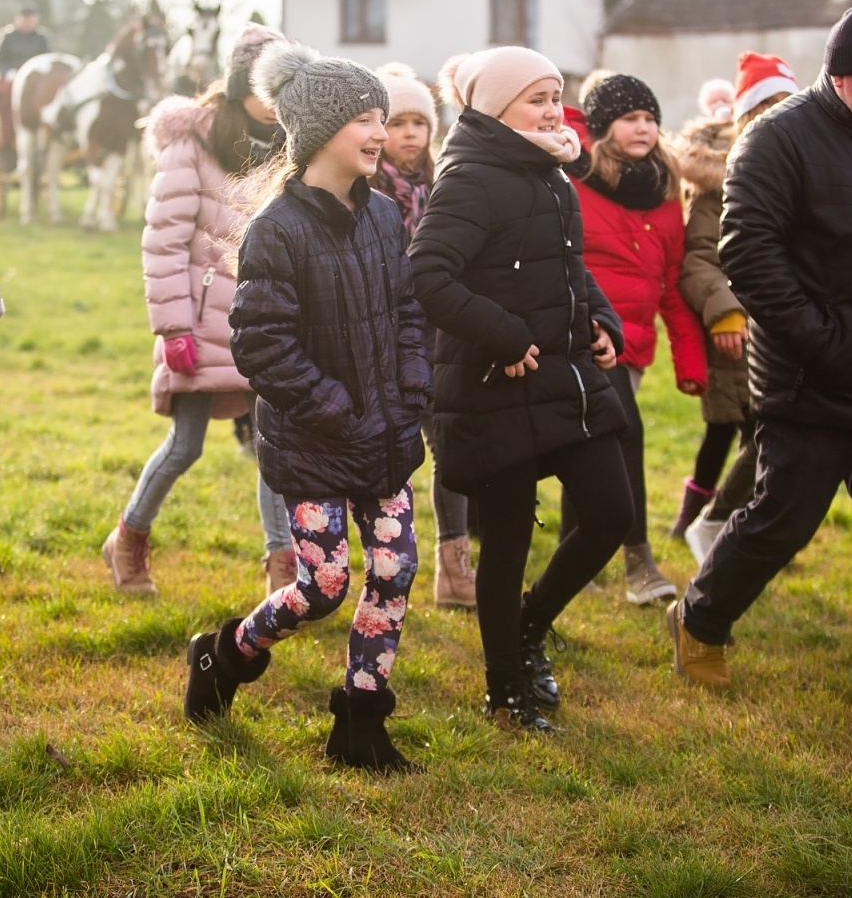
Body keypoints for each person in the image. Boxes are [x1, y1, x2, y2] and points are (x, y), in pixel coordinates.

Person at [667, 0, 852, 734]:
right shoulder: (778, 141)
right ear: (840, 77)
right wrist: (823, 342)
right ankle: (699, 621)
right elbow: (747, 254)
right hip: (814, 384)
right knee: (779, 522)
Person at [183, 41, 429, 773]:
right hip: (318, 441)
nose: (381, 133)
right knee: (322, 585)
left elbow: (409, 311)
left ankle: (360, 722)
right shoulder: (276, 230)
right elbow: (261, 346)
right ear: (320, 131)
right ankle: (227, 653)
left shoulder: (386, 216)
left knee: (393, 571)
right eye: (365, 119)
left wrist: (413, 389)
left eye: (382, 118)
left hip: (386, 435)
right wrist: (337, 409)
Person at [410, 46, 633, 733]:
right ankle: (505, 690)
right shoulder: (470, 179)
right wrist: (502, 336)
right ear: (493, 107)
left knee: (610, 513)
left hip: (565, 375)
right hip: (492, 384)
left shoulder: (552, 174)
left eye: (555, 94)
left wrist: (601, 319)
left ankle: (530, 625)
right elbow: (427, 274)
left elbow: (567, 268)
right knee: (504, 541)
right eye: (535, 97)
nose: (551, 109)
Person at [102, 24, 296, 596]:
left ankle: (283, 566)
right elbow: (163, 241)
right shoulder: (196, 142)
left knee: (275, 447)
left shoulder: (294, 146)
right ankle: (128, 539)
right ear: (241, 84)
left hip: (271, 323)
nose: (275, 96)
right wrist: (173, 328)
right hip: (200, 321)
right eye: (266, 82)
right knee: (185, 446)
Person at [562, 73, 707, 605]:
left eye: (650, 118)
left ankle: (574, 555)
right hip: (585, 337)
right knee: (626, 434)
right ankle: (638, 561)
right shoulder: (574, 180)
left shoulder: (668, 192)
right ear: (602, 128)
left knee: (590, 447)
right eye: (630, 118)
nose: (643, 127)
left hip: (635, 348)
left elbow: (671, 284)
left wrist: (690, 361)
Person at [675, 54, 800, 564]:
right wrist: (726, 312)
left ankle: (744, 529)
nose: (781, 115)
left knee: (771, 437)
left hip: (788, 325)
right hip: (739, 329)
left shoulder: (800, 167)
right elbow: (700, 258)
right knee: (749, 432)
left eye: (787, 104)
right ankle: (710, 524)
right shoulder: (722, 179)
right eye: (768, 104)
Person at [371, 62, 475, 609]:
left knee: (450, 446)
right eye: (399, 122)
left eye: (420, 122)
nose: (411, 133)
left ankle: (454, 567)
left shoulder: (443, 185)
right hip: (380, 338)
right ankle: (382, 564)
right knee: (388, 451)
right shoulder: (365, 192)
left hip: (436, 335)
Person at [0, 9, 52, 78]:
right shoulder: (7, 36)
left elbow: (47, 57)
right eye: (25, 20)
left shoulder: (41, 37)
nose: (27, 23)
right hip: (11, 76)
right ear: (17, 20)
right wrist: (8, 71)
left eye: (30, 21)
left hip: (36, 76)